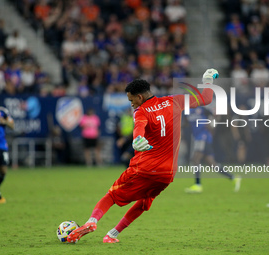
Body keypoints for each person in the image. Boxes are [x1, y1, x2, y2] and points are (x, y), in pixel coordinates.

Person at [67, 69, 218, 243]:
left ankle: (91, 222)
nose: (131, 104)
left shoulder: (141, 111)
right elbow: (206, 98)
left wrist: (137, 139)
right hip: (167, 174)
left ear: (139, 97)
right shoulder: (174, 101)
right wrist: (207, 80)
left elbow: (139, 126)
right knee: (145, 202)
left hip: (144, 168)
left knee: (111, 195)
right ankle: (112, 235)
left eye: (131, 100)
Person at [184, 108, 241, 193]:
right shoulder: (187, 111)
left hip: (203, 136)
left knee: (196, 159)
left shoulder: (202, 109)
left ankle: (198, 185)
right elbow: (186, 123)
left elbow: (215, 115)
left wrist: (211, 125)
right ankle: (233, 178)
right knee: (212, 163)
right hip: (197, 137)